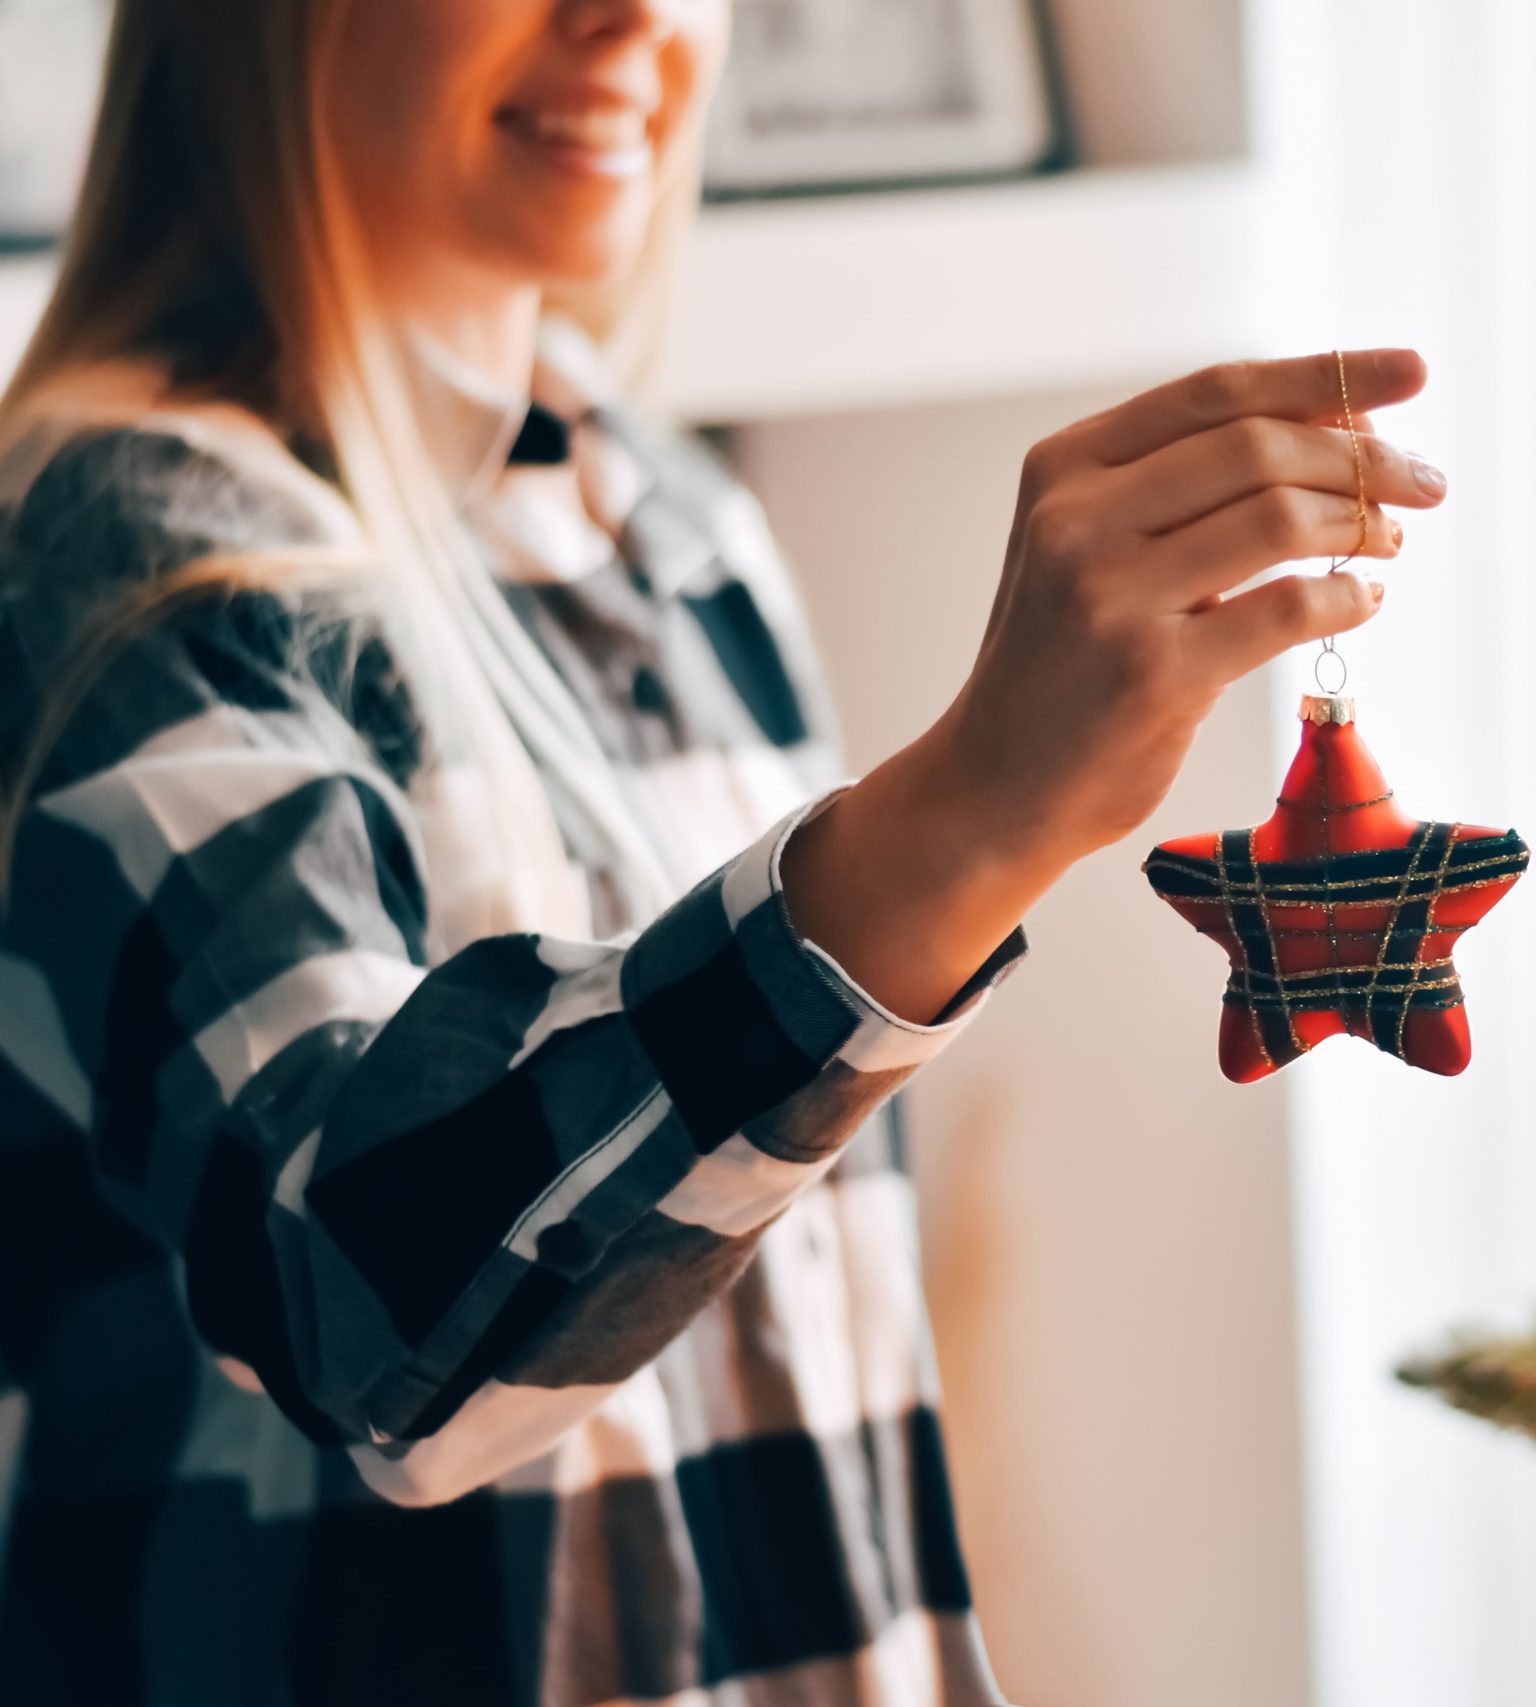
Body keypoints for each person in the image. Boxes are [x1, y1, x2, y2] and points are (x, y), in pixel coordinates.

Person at [0, 2, 1447, 1702]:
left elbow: (779, 1346)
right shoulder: (128, 561)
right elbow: (359, 1317)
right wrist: (961, 819)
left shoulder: (677, 523)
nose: (635, 19)